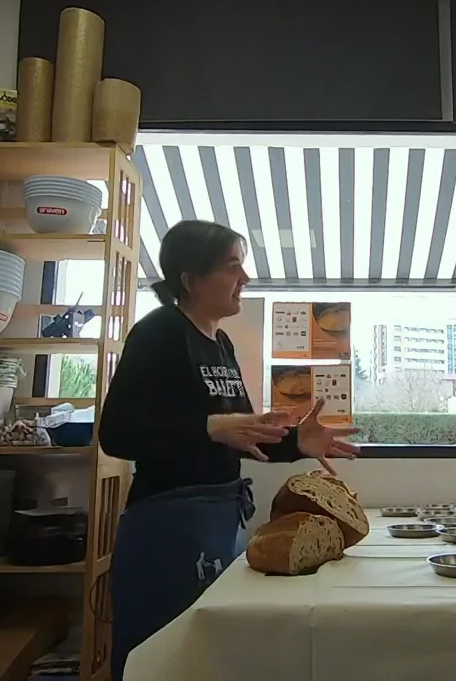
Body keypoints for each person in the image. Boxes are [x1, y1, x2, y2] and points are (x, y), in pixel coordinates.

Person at [99, 219, 360, 678]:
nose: (245, 279)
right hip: (166, 527)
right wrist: (208, 425)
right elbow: (117, 433)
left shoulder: (219, 344)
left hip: (220, 523)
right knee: (161, 659)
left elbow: (242, 433)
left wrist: (297, 441)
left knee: (211, 660)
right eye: (232, 267)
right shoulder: (159, 332)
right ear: (190, 279)